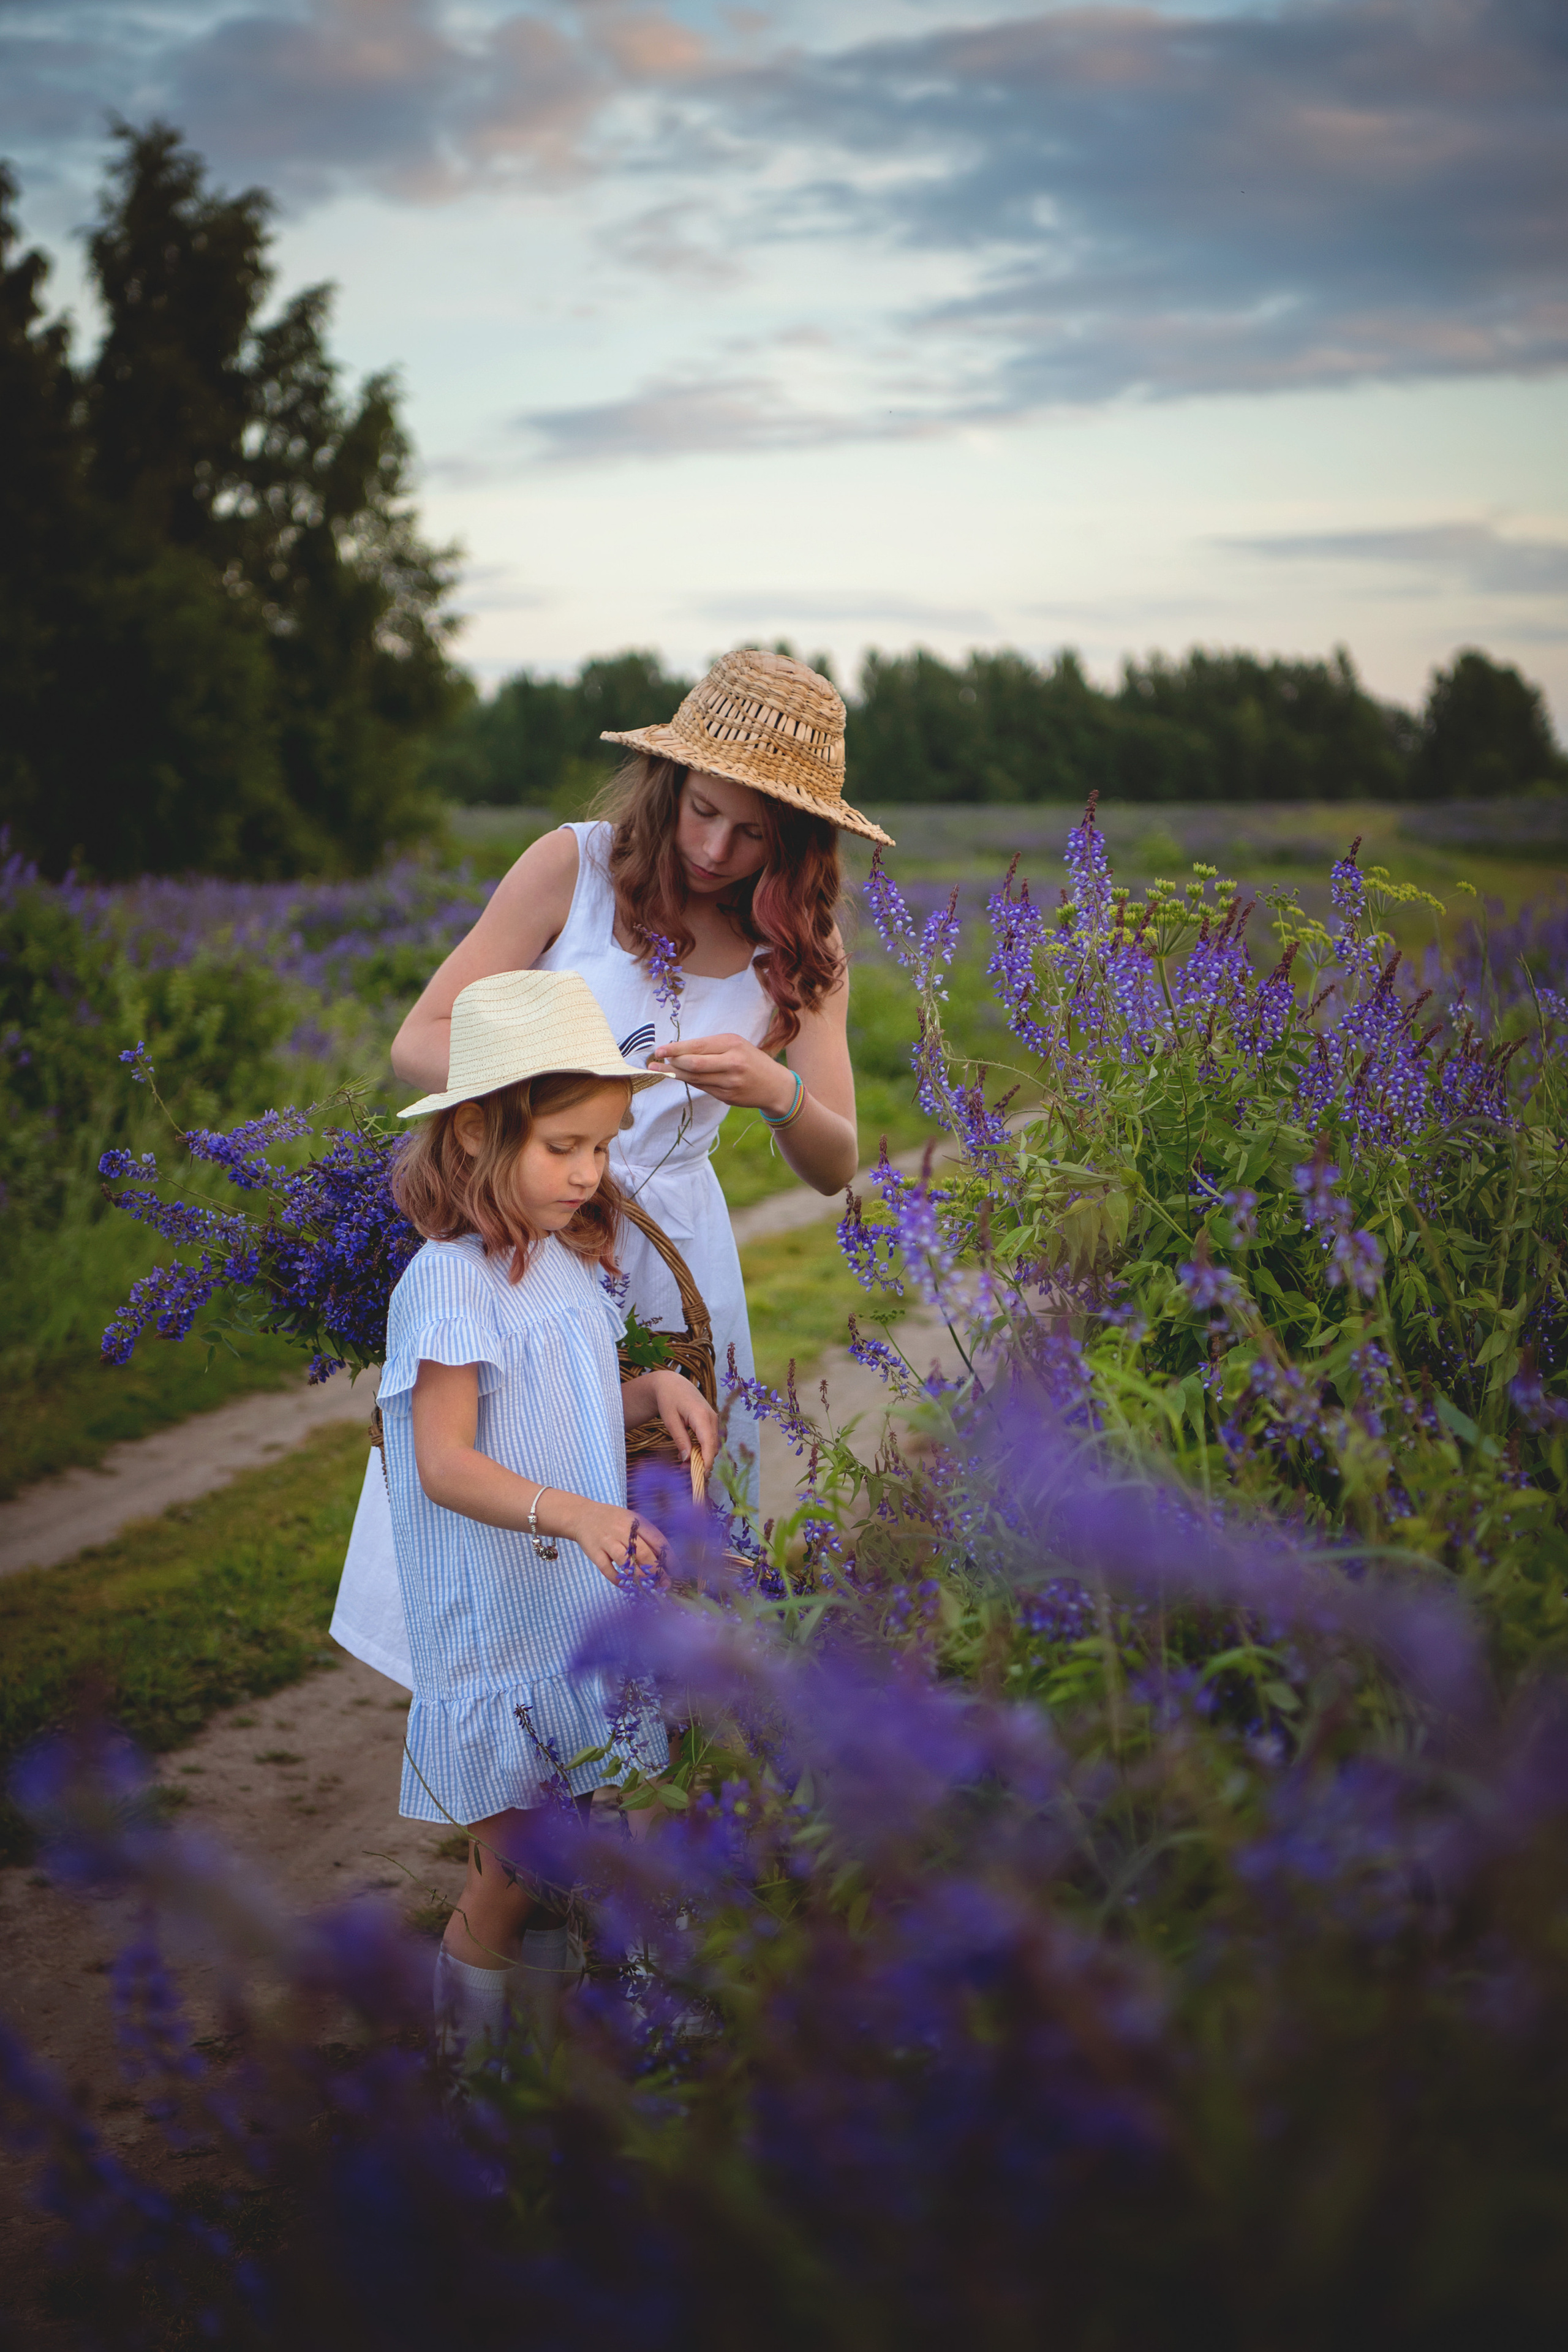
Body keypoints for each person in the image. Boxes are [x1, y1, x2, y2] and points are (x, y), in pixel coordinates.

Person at [331, 647, 894, 1687]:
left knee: (646, 1541)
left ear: (797, 839)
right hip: (525, 1225)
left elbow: (834, 1164)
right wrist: (555, 1087)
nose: (718, 848)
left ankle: (623, 1788)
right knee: (501, 1512)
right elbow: (420, 1041)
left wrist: (777, 1094)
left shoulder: (801, 945)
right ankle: (496, 1771)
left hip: (670, 1259)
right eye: (704, 811)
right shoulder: (575, 866)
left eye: (753, 832)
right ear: (671, 783)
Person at [379, 965, 719, 2068]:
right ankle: (472, 2084)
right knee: (512, 1875)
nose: (589, 1173)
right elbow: (443, 1461)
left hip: (569, 1616)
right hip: (501, 1626)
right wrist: (576, 1514)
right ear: (477, 1134)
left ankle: (587, 2043)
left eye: (603, 1147)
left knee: (596, 1845)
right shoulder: (448, 1282)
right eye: (563, 1146)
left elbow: (551, 1402)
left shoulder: (565, 1267)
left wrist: (646, 1391)